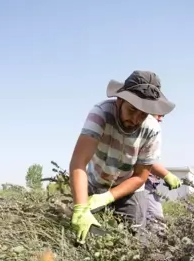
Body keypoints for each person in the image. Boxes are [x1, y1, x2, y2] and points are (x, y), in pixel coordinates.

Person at [68, 70, 175, 244]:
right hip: (95, 183)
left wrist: (108, 197)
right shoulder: (101, 114)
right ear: (120, 100)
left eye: (143, 114)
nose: (135, 119)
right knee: (85, 237)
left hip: (129, 190)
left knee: (132, 241)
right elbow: (79, 163)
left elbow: (141, 176)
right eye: (132, 110)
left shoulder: (152, 128)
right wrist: (80, 207)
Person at [145, 114, 182, 223]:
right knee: (156, 222)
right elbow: (146, 162)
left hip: (145, 183)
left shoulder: (151, 131)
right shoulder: (141, 130)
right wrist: (167, 175)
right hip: (141, 185)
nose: (161, 119)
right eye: (159, 114)